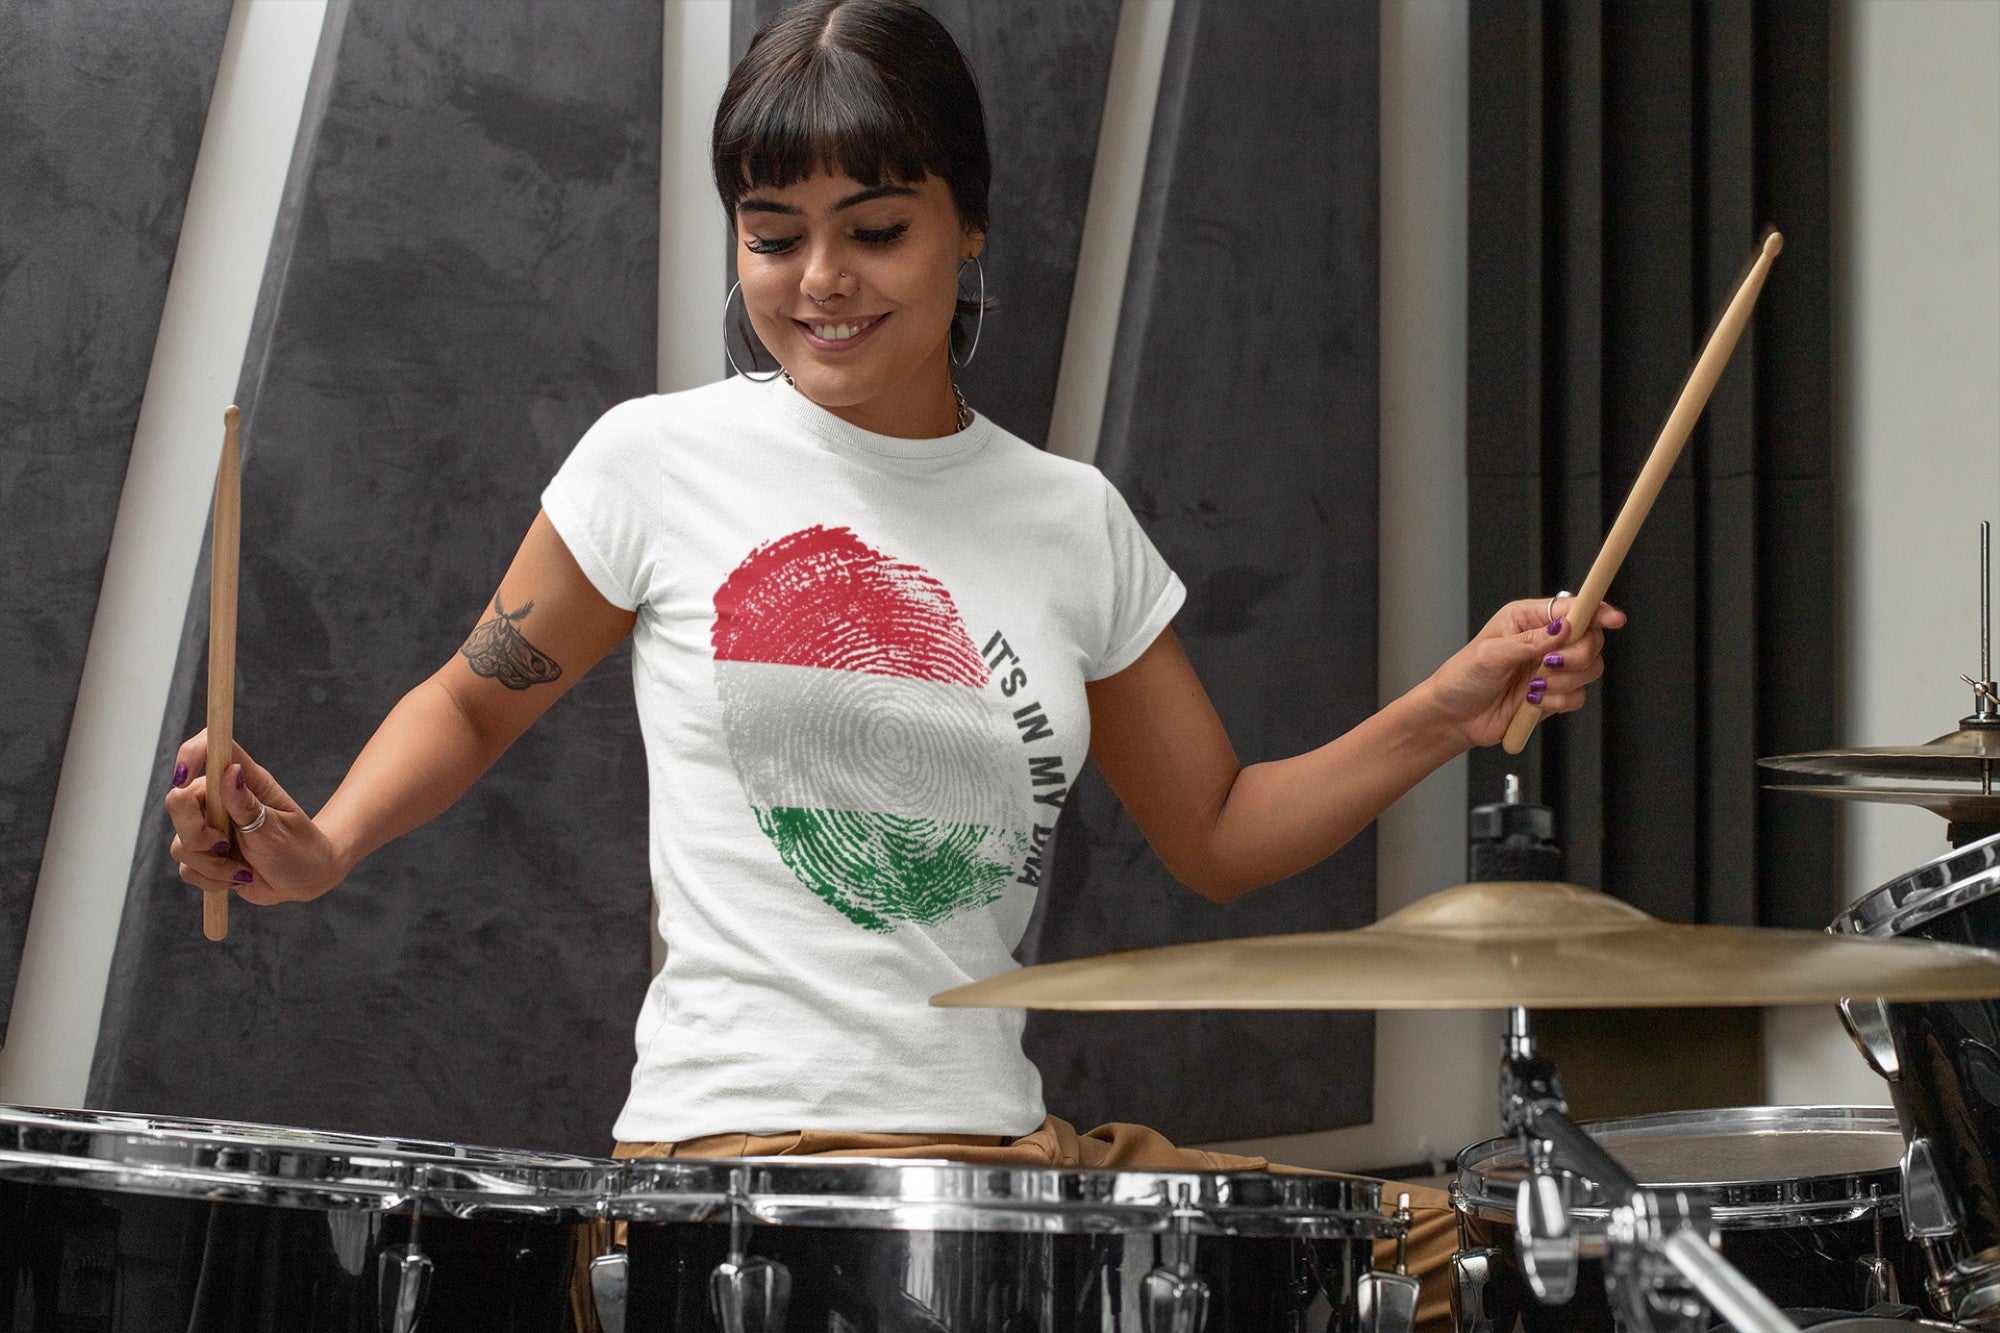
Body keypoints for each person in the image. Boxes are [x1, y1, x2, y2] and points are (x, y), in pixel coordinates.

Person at [163, 0, 1621, 1324]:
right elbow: (476, 695)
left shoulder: (1071, 521)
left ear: (967, 224)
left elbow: (1222, 832)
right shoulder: (655, 462)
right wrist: (327, 842)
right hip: (738, 1163)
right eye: (772, 231)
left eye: (874, 228)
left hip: (1000, 1161)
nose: (818, 281)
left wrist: (1445, 707)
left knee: (1472, 1263)